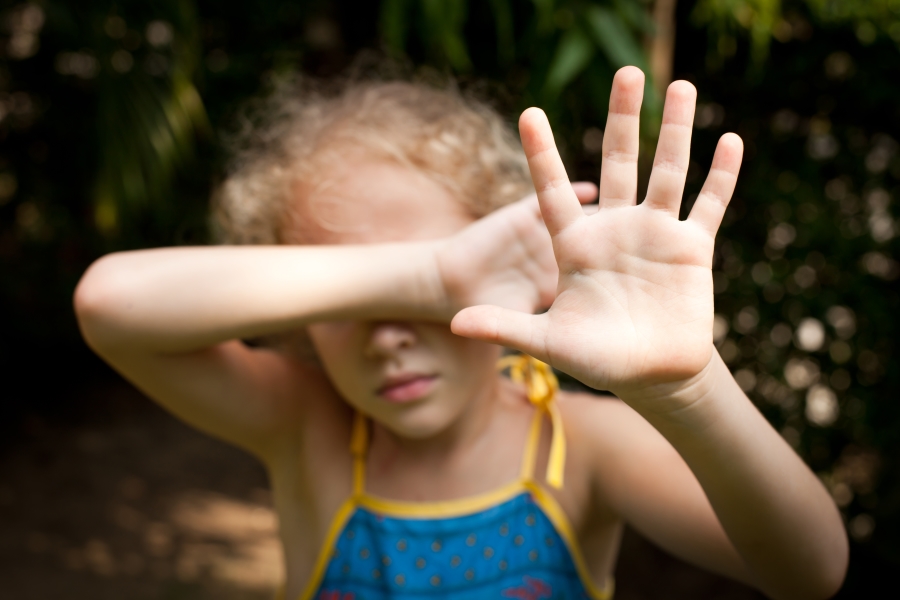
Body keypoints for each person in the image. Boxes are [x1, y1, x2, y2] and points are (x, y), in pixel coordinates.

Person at [74, 66, 848, 600]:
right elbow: (111, 302)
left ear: (514, 262)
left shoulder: (583, 446)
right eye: (355, 292)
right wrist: (430, 276)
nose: (390, 338)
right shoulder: (305, 424)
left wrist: (689, 387)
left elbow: (808, 571)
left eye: (429, 296)